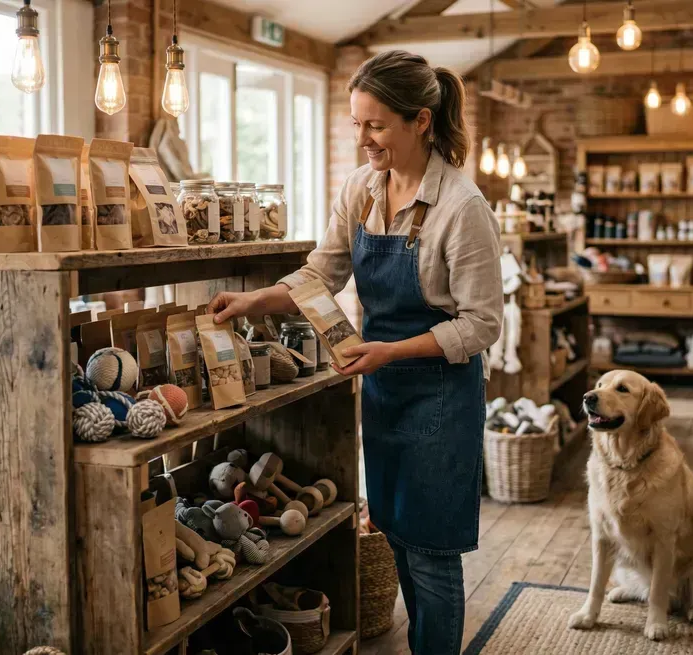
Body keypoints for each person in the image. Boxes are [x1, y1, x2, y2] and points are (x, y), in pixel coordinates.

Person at [208, 50, 502, 654]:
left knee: (434, 554)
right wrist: (255, 302)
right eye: (356, 124)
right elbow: (322, 273)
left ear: (421, 121)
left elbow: (480, 325)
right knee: (397, 536)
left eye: (376, 125)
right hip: (388, 392)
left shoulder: (461, 208)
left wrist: (391, 353)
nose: (363, 139)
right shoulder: (363, 189)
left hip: (442, 396)